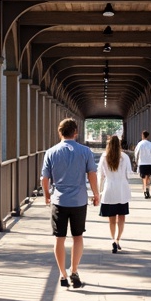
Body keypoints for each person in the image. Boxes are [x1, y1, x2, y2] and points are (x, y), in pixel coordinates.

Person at [41, 117, 100, 289]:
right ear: (76, 132)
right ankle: (74, 270)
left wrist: (46, 195)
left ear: (60, 132)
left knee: (59, 238)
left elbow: (45, 179)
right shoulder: (85, 151)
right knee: (78, 236)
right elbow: (92, 175)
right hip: (79, 200)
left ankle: (62, 274)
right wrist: (96, 194)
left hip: (59, 200)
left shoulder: (51, 152)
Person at [97, 135, 133, 253]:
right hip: (122, 189)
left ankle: (112, 239)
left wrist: (98, 191)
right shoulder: (124, 157)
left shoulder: (104, 157)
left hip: (109, 189)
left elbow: (100, 175)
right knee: (121, 217)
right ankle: (118, 239)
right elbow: (129, 174)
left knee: (111, 219)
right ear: (119, 145)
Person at [134, 130, 151, 198]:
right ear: (148, 136)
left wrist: (136, 161)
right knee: (148, 177)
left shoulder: (140, 144)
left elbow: (136, 153)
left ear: (142, 135)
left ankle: (144, 190)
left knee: (143, 177)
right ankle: (147, 189)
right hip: (149, 162)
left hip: (142, 163)